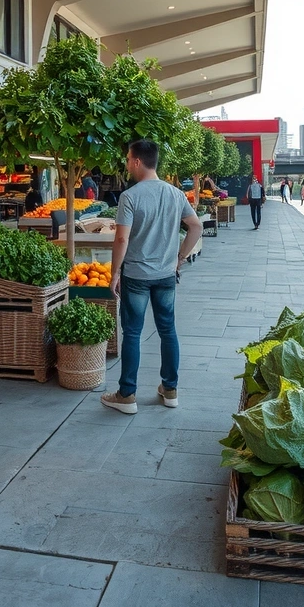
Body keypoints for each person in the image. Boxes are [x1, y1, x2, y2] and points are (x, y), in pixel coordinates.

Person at [101, 139, 202, 415]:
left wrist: (114, 273)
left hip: (136, 275)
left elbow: (121, 239)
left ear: (137, 161)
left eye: (127, 160)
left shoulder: (130, 196)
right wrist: (179, 258)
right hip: (166, 274)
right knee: (167, 330)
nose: (126, 165)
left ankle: (127, 395)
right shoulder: (176, 194)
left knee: (132, 333)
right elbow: (195, 226)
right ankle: (170, 390)